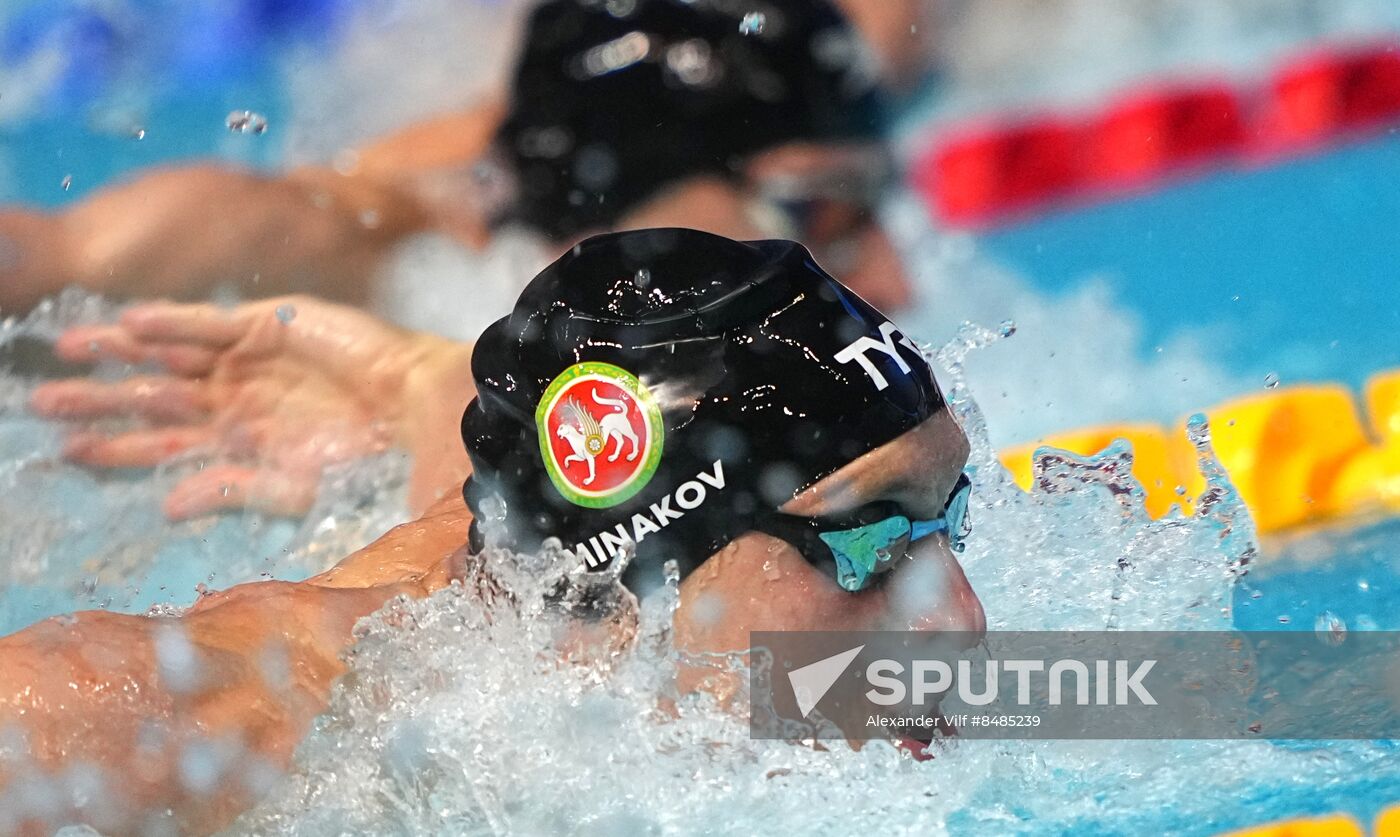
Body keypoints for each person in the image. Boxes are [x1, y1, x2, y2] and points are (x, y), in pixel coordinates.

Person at [4, 229, 983, 834]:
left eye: (954, 521)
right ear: (639, 572)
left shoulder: (661, 642)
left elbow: (1124, 697)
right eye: (872, 548)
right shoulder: (260, 729)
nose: (965, 629)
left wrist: (425, 384)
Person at [0, 0, 931, 321]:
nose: (902, 283)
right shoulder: (372, 253)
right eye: (826, 215)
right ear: (634, 197)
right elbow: (50, 259)